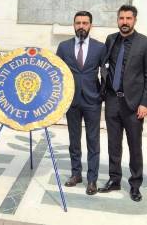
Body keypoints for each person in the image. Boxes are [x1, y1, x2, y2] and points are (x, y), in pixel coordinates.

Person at [98, 5, 147, 202]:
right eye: (121, 18)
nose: (124, 22)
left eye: (128, 18)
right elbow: (105, 65)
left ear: (135, 20)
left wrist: (145, 103)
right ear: (117, 19)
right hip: (113, 100)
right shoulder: (111, 39)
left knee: (134, 146)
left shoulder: (146, 44)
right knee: (113, 144)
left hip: (133, 105)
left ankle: (135, 184)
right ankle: (114, 180)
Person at [55, 11, 106, 195]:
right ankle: (76, 174)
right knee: (74, 140)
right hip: (72, 101)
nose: (81, 26)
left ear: (91, 25)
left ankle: (92, 179)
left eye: (85, 23)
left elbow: (105, 73)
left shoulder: (100, 48)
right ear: (73, 25)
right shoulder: (63, 47)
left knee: (93, 141)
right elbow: (57, 74)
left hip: (92, 101)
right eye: (78, 23)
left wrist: (101, 94)